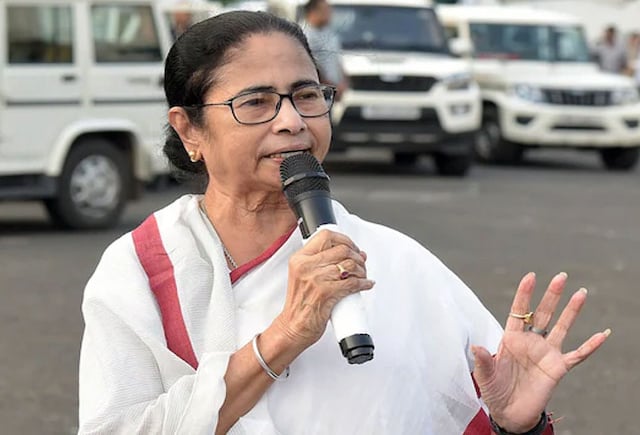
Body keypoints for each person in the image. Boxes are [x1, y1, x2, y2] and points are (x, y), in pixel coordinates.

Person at [78, 11, 609, 434]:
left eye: (307, 95)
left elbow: (463, 410)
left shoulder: (398, 262)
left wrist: (514, 425)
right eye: (256, 102)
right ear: (189, 129)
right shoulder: (143, 268)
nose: (292, 121)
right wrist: (286, 334)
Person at [300, 0, 349, 101]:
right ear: (313, 12)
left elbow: (337, 60)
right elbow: (312, 66)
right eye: (325, 10)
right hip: (316, 93)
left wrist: (343, 82)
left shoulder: (329, 33)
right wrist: (330, 87)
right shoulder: (304, 35)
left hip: (332, 92)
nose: (329, 13)